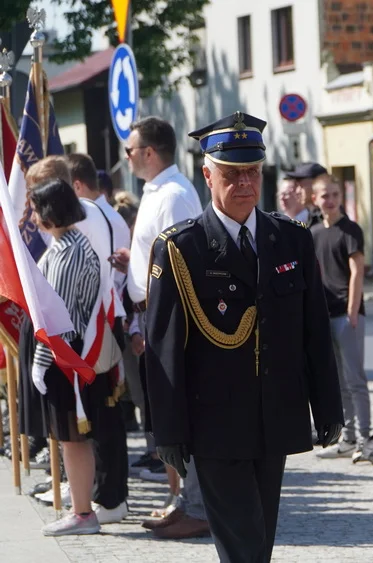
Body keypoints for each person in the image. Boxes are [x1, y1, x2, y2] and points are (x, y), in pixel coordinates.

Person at [144, 111, 344, 562]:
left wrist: (327, 405)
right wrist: (169, 430)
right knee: (245, 544)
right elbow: (163, 347)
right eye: (232, 175)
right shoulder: (182, 247)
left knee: (259, 536)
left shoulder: (290, 239)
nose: (245, 185)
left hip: (275, 414)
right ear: (207, 174)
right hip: (214, 421)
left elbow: (313, 333)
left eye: (253, 172)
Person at [115, 116, 209, 538]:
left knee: (180, 409)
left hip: (171, 313)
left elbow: (184, 262)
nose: (127, 157)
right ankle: (181, 499)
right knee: (165, 412)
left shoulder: (173, 195)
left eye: (130, 150)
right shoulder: (157, 192)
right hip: (152, 312)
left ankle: (196, 505)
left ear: (149, 152)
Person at [18, 179, 105, 535]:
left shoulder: (70, 252)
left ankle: (83, 513)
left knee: (72, 439)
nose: (34, 217)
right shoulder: (63, 245)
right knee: (68, 440)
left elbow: (60, 319)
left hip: (66, 360)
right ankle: (81, 508)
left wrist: (40, 362)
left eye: (37, 210)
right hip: (65, 359)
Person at [66, 153, 132, 524]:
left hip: (100, 323)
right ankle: (104, 492)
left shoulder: (92, 216)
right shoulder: (108, 215)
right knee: (101, 415)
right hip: (103, 320)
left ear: (76, 185)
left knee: (104, 415)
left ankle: (111, 496)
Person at [311, 176, 371, 459]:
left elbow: (357, 270)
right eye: (325, 195)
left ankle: (364, 439)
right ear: (315, 199)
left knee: (356, 379)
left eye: (335, 194)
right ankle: (346, 438)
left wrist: (352, 309)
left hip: (347, 315)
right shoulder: (313, 233)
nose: (330, 200)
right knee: (339, 382)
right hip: (325, 314)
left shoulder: (350, 230)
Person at [285, 162, 328, 227]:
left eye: (301, 186)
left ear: (316, 185)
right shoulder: (312, 215)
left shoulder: (330, 217)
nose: (297, 191)